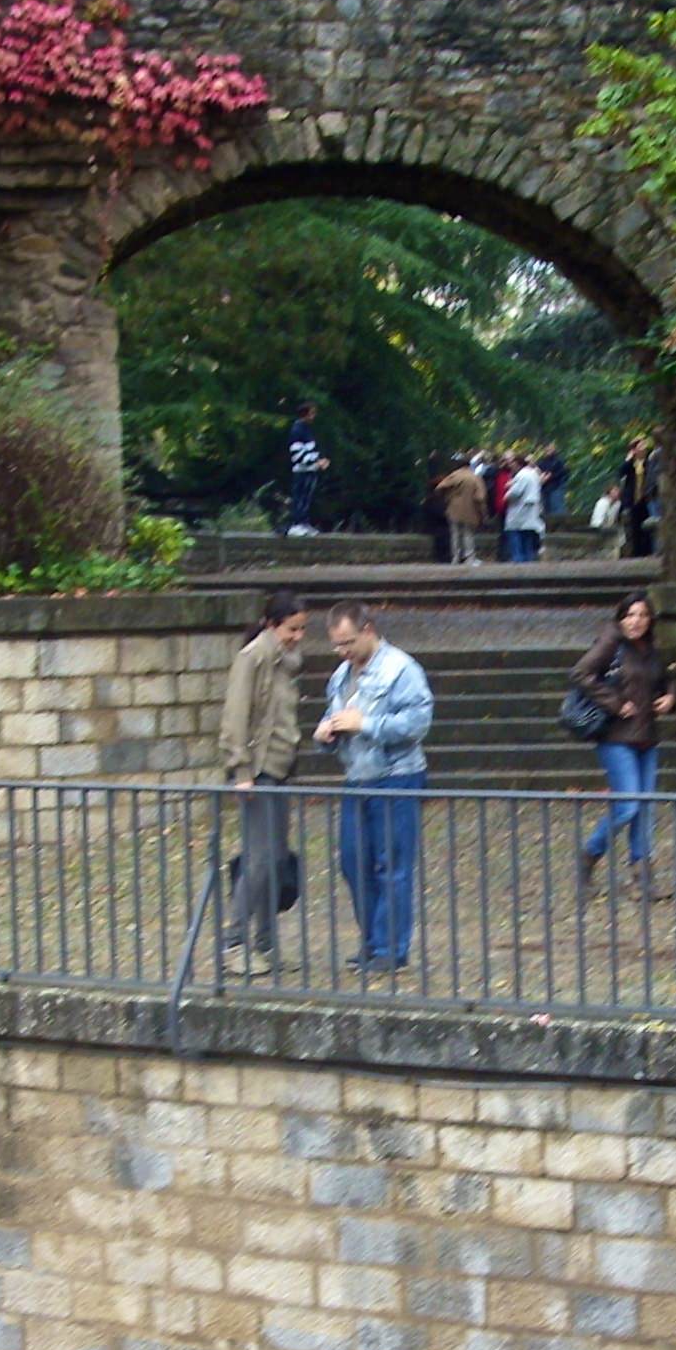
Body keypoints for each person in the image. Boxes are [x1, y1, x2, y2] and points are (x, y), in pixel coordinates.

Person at [317, 602, 433, 973]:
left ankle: (391, 948)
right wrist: (327, 733)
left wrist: (366, 724)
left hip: (397, 776)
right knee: (353, 863)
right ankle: (372, 941)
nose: (342, 651)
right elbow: (336, 716)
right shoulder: (341, 675)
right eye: (337, 645)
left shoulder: (401, 669)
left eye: (348, 643)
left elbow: (418, 722)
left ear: (368, 630)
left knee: (392, 864)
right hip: (357, 776)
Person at [215, 590, 307, 976]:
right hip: (258, 772)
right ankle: (234, 942)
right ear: (272, 625)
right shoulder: (252, 657)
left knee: (276, 860)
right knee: (259, 860)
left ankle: (265, 944)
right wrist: (241, 772)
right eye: (291, 629)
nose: (297, 636)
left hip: (280, 769)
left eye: (301, 629)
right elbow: (235, 717)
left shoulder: (285, 661)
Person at [571, 591, 676, 900]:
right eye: (631, 615)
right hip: (616, 736)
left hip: (646, 736)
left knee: (644, 809)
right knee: (628, 805)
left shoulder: (651, 648)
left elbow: (667, 677)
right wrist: (615, 703)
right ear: (621, 618)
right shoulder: (611, 642)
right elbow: (581, 673)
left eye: (643, 615)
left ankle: (642, 879)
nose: (636, 621)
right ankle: (589, 856)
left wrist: (671, 697)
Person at [430, 457, 488, 567]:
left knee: (455, 534)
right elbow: (480, 497)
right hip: (470, 509)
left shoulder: (454, 475)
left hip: (453, 508)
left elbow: (439, 487)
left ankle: (455, 558)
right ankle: (469, 558)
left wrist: (447, 496)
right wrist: (483, 512)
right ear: (469, 465)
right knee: (468, 534)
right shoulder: (475, 477)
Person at [284, 405, 327, 536]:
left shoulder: (306, 429)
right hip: (301, 471)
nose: (313, 416)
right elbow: (296, 454)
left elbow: (311, 449)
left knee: (306, 499)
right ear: (305, 414)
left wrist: (320, 460)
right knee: (299, 498)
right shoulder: (297, 430)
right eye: (312, 413)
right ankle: (296, 524)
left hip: (310, 470)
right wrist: (315, 461)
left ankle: (304, 523)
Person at [500, 450, 547, 564]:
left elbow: (516, 492)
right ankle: (528, 559)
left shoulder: (522, 475)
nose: (510, 465)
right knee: (528, 535)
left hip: (520, 508)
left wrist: (506, 494)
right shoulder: (533, 473)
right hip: (530, 508)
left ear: (517, 463)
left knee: (515, 533)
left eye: (512, 463)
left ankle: (518, 559)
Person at [619, 440, 661, 559]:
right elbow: (621, 472)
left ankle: (647, 551)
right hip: (633, 499)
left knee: (647, 526)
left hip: (646, 498)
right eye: (640, 447)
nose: (644, 449)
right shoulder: (631, 464)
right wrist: (629, 459)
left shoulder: (648, 462)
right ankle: (637, 552)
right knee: (635, 526)